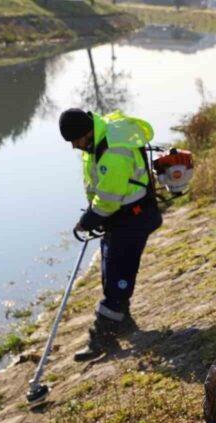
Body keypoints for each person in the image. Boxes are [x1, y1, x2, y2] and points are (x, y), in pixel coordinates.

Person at [58, 108, 162, 362]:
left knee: (117, 277)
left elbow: (109, 198)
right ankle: (123, 321)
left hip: (133, 217)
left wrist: (89, 219)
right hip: (122, 218)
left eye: (75, 141)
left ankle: (103, 338)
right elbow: (102, 191)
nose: (74, 147)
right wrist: (97, 216)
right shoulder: (98, 140)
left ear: (86, 132)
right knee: (112, 271)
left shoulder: (113, 151)